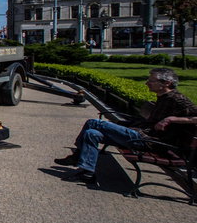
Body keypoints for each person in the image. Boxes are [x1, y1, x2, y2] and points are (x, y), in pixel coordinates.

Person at [55, 68, 197, 181]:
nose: (147, 83)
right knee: (91, 133)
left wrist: (171, 119)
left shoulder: (178, 99)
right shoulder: (164, 97)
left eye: (151, 80)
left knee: (93, 123)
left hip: (149, 141)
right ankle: (87, 173)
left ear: (166, 83)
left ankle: (77, 156)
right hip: (141, 134)